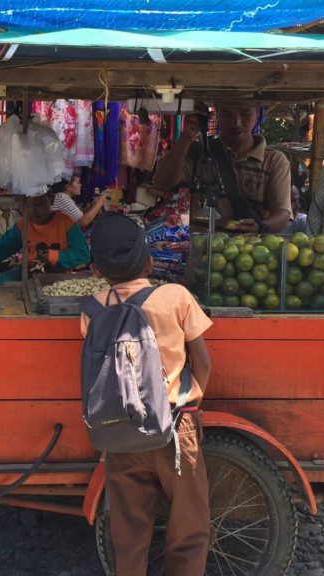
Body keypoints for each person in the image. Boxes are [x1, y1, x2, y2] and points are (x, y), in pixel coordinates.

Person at [80, 213, 212, 575]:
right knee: (189, 529)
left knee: (129, 533)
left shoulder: (92, 309)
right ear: (151, 262)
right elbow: (202, 361)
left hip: (122, 432)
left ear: (96, 271)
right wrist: (192, 396)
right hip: (176, 426)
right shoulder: (177, 297)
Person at [153, 100, 292, 234]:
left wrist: (260, 226)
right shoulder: (198, 153)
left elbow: (283, 213)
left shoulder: (274, 160)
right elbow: (162, 183)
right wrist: (186, 137)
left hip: (251, 254)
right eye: (226, 114)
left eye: (245, 114)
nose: (236, 123)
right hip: (203, 254)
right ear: (217, 114)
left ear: (257, 113)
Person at [0, 190, 89, 284]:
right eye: (28, 206)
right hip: (28, 273)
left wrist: (54, 256)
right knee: (0, 282)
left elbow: (83, 255)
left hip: (59, 276)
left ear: (51, 200)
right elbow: (4, 246)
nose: (33, 211)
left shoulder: (66, 223)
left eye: (39, 205)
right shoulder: (23, 224)